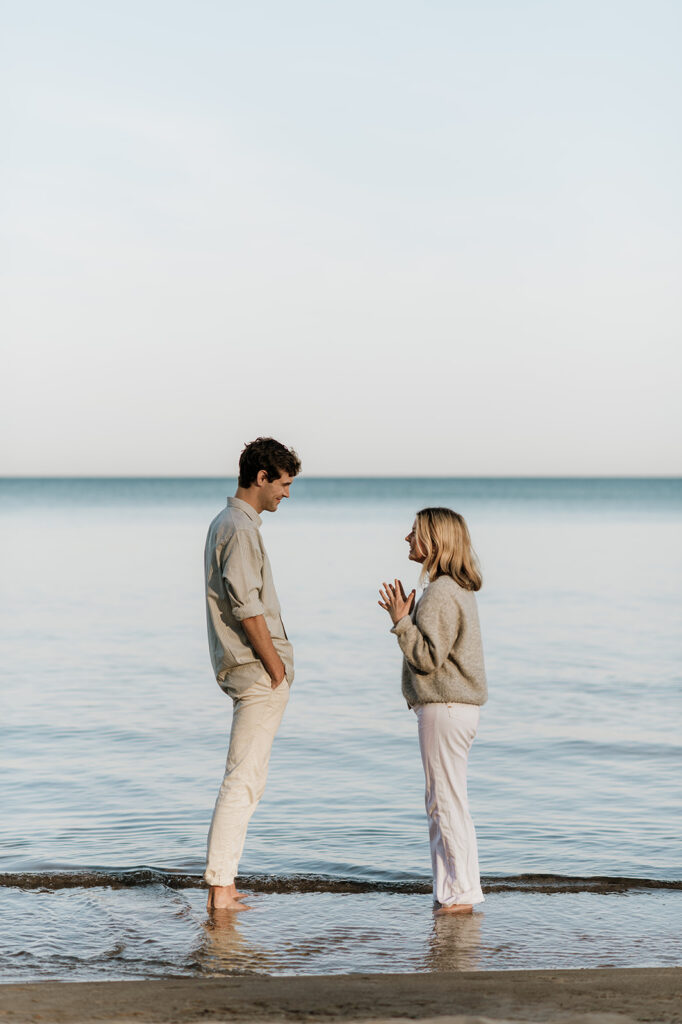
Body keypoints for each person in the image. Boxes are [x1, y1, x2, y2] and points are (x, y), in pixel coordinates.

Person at [204, 437, 301, 911]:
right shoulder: (239, 529)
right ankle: (221, 890)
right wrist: (276, 666)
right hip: (257, 671)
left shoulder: (231, 524)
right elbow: (247, 608)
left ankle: (224, 884)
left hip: (250, 670)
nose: (286, 494)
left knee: (248, 778)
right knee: (242, 780)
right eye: (283, 484)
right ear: (261, 478)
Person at [378, 507, 487, 914]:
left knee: (444, 802)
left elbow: (427, 658)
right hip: (454, 708)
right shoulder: (454, 589)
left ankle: (458, 895)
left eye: (414, 533)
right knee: (447, 801)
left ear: (435, 542)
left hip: (445, 706)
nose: (407, 539)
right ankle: (453, 892)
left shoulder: (441, 592)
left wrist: (401, 621)